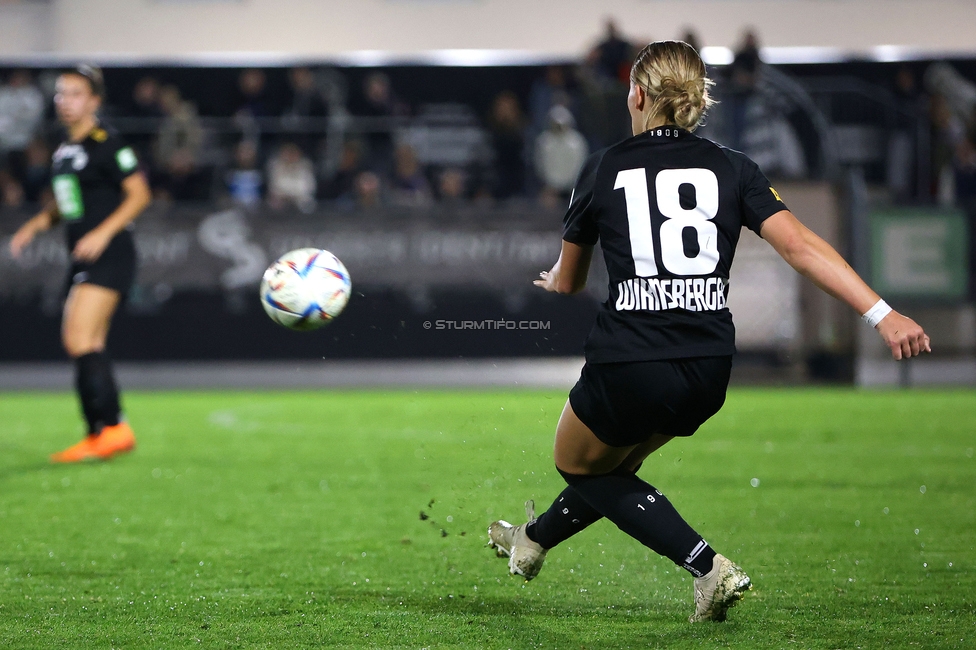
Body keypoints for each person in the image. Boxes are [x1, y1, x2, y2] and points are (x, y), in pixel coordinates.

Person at [487, 41, 931, 624]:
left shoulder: (603, 165)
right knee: (612, 470)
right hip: (708, 367)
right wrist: (882, 313)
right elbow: (800, 247)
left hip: (631, 357)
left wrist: (551, 279)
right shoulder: (734, 166)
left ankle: (707, 567)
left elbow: (570, 281)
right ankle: (535, 539)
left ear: (639, 95)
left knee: (577, 463)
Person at [8, 65, 152, 463]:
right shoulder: (64, 149)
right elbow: (68, 204)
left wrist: (103, 232)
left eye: (74, 93)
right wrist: (37, 225)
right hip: (83, 255)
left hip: (111, 253)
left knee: (79, 339)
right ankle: (103, 430)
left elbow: (139, 195)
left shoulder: (107, 142)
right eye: (61, 93)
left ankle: (111, 429)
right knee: (88, 342)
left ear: (94, 101)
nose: (65, 100)